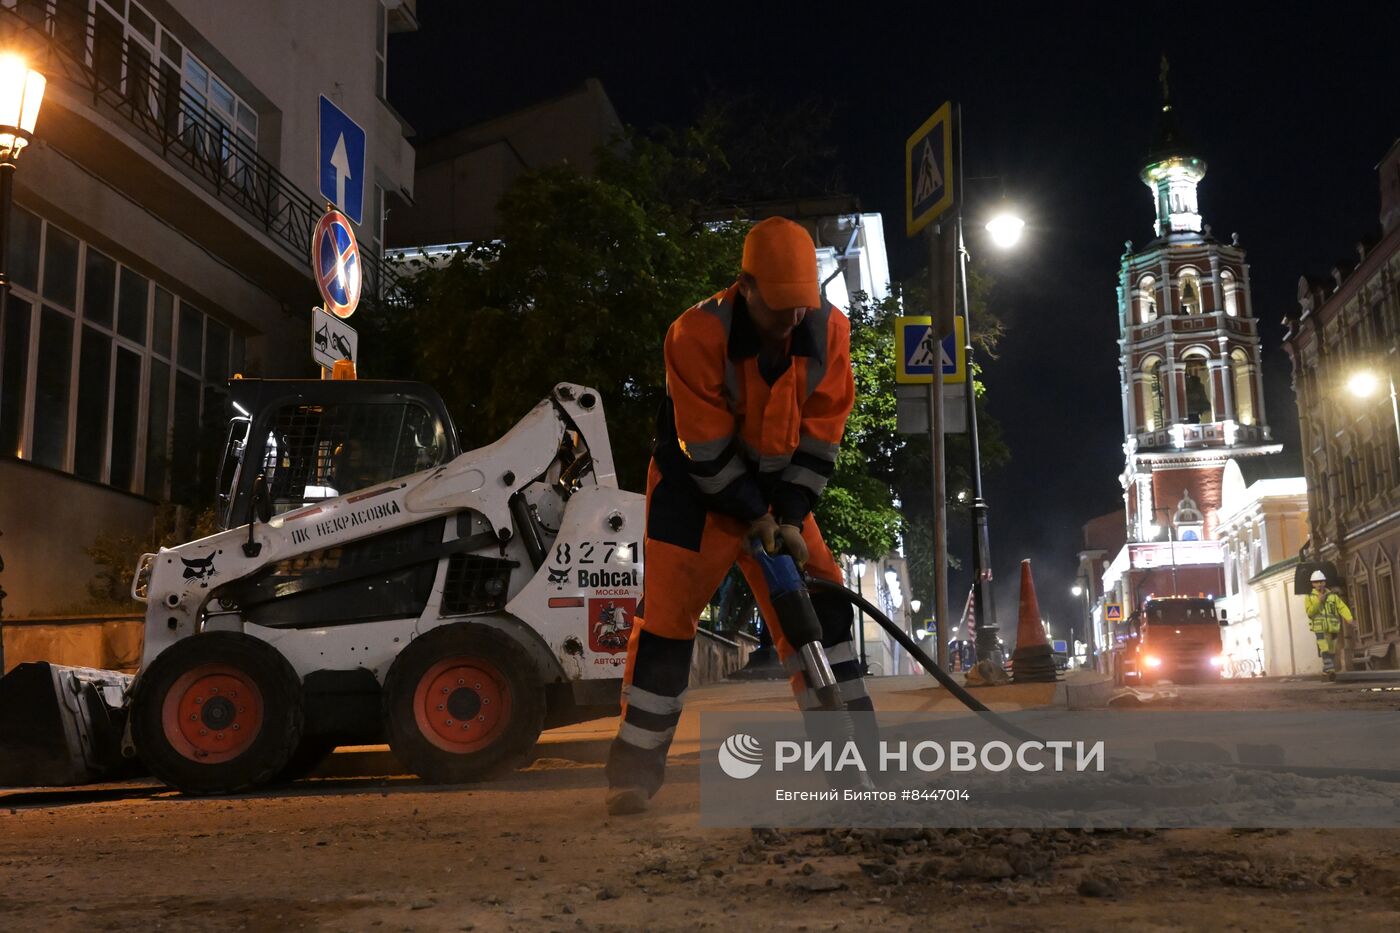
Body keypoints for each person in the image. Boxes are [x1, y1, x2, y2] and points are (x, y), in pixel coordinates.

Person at [604, 217, 870, 816]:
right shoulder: (694, 334)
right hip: (693, 492)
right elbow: (703, 448)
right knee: (668, 622)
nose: (792, 320)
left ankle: (855, 761)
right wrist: (753, 514)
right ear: (744, 287)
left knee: (823, 605)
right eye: (779, 307)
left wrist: (790, 517)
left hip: (777, 496)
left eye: (802, 305)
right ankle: (633, 771)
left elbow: (821, 439)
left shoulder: (829, 331)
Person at [1304, 570, 1355, 674]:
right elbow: (1310, 612)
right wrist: (1319, 601)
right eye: (1316, 582)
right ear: (1313, 584)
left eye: (1321, 581)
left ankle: (1326, 669)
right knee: (1324, 648)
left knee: (1332, 649)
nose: (1319, 584)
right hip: (1319, 628)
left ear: (1324, 582)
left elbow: (1342, 607)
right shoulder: (1309, 597)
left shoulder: (1332, 596)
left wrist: (1349, 618)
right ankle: (1330, 669)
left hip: (1332, 627)